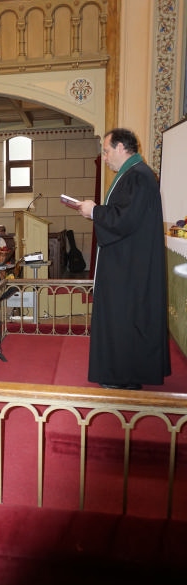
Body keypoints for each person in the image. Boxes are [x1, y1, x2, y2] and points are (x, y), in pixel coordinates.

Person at [78, 128, 171, 390]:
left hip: (129, 268)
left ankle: (123, 377)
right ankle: (124, 372)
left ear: (121, 148)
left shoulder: (137, 176)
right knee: (124, 318)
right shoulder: (134, 174)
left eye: (107, 151)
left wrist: (95, 211)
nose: (105, 157)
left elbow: (124, 220)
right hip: (128, 262)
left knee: (123, 319)